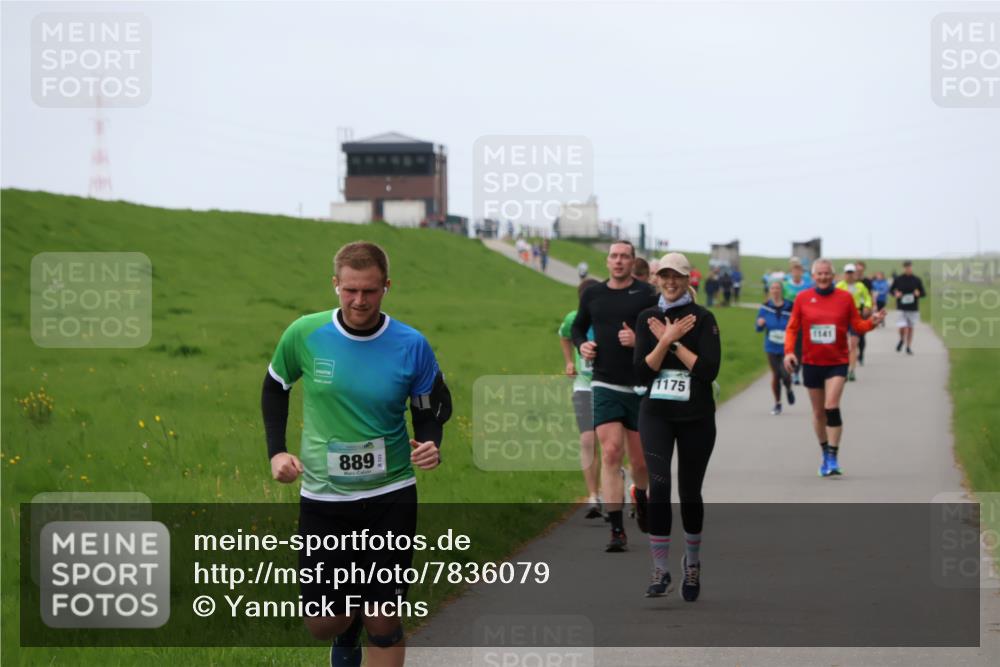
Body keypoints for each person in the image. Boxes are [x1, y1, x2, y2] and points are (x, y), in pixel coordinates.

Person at [262, 241, 452, 667]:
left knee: (382, 618)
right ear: (335, 285)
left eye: (369, 290)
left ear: (386, 286)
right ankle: (346, 631)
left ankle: (370, 624)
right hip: (324, 497)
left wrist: (430, 443)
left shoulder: (411, 344)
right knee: (324, 621)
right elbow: (275, 386)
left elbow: (429, 410)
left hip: (390, 495)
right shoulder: (305, 333)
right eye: (350, 290)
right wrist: (277, 453)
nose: (359, 301)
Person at [633, 252, 721, 601]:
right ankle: (660, 569)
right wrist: (663, 341)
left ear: (688, 280)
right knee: (658, 485)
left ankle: (692, 562)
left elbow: (708, 370)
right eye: (665, 276)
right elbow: (641, 373)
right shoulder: (647, 318)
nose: (671, 282)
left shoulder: (703, 318)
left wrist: (675, 341)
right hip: (656, 413)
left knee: (689, 492)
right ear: (657, 279)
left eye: (678, 276)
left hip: (696, 416)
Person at [571, 240, 657, 552]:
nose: (618, 261)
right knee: (610, 453)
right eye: (614, 256)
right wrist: (582, 345)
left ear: (633, 262)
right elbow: (578, 328)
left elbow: (663, 336)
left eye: (624, 257)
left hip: (639, 386)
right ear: (607, 261)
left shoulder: (647, 295)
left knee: (641, 463)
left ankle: (641, 497)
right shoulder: (593, 295)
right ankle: (617, 530)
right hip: (604, 383)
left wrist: (638, 340)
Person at [783, 259, 885, 477]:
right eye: (819, 274)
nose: (823, 277)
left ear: (833, 275)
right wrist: (789, 352)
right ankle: (824, 451)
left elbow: (857, 326)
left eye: (827, 273)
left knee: (831, 406)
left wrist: (872, 322)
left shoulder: (845, 298)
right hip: (811, 362)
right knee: (818, 412)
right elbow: (792, 328)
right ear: (813, 276)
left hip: (837, 361)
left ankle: (832, 455)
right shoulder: (802, 298)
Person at [559, 278, 603, 519]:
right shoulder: (573, 319)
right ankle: (593, 496)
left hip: (609, 387)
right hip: (583, 387)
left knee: (610, 444)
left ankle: (615, 481)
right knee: (587, 440)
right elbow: (564, 335)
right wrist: (569, 361)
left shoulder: (609, 319)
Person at [756, 278, 795, 415]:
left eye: (777, 288)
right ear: (770, 291)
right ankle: (777, 403)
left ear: (781, 290)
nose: (775, 290)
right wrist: (760, 324)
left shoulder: (790, 306)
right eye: (772, 288)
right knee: (776, 375)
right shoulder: (765, 307)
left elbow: (797, 323)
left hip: (787, 346)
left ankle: (788, 389)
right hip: (771, 346)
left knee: (786, 374)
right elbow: (758, 328)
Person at [835, 263, 873, 382]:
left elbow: (867, 298)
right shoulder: (839, 286)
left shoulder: (860, 286)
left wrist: (867, 306)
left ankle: (851, 370)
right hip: (842, 317)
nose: (850, 275)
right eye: (848, 273)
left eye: (851, 273)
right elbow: (832, 300)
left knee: (853, 344)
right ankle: (843, 368)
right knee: (842, 344)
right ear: (844, 274)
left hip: (855, 316)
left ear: (854, 274)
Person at [782, 258, 813, 386]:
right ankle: (793, 372)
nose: (796, 272)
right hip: (789, 320)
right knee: (792, 347)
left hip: (805, 321)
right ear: (791, 271)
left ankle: (800, 371)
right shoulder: (785, 285)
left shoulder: (808, 285)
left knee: (802, 347)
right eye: (794, 270)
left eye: (798, 270)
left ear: (801, 272)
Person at [890, 260, 925, 355]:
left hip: (913, 307)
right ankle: (902, 339)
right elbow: (891, 290)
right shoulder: (898, 279)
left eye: (909, 267)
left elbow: (923, 293)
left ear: (911, 267)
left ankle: (908, 346)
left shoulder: (917, 279)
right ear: (903, 268)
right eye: (906, 267)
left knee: (910, 328)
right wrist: (896, 294)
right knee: (902, 327)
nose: (908, 269)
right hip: (901, 307)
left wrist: (918, 294)